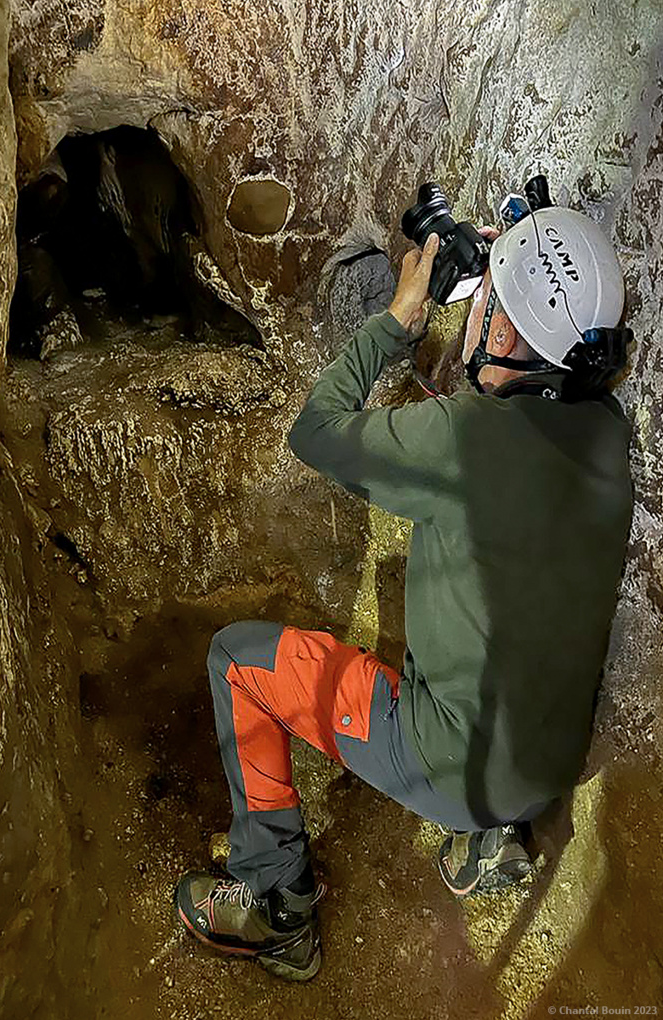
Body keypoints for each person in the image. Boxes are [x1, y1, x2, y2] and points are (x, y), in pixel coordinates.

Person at [174, 203, 633, 982]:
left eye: (489, 297)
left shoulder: (459, 441)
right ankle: (493, 839)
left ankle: (275, 908)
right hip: (548, 763)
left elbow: (315, 430)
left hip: (454, 765)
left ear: (507, 334)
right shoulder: (608, 432)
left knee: (237, 662)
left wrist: (398, 317)